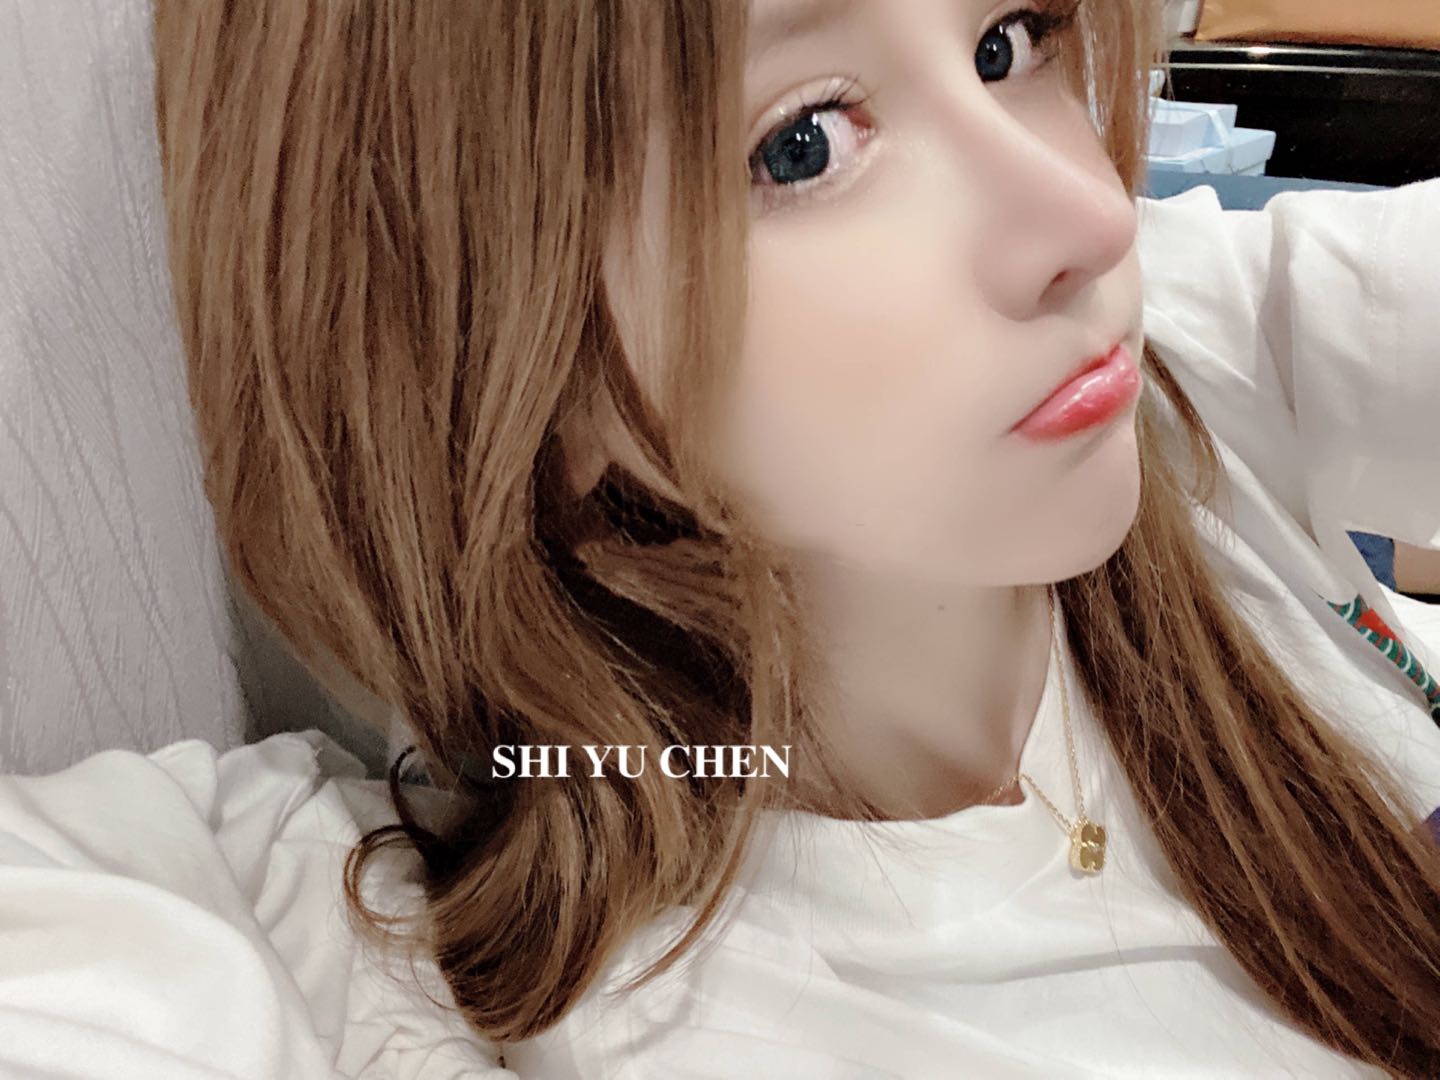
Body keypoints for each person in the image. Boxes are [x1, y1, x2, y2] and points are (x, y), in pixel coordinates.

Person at [32, 0, 1426, 1075]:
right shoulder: (460, 973)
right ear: (496, 339)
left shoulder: (1176, 371)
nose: (1088, 213)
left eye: (1010, 41)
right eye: (803, 143)